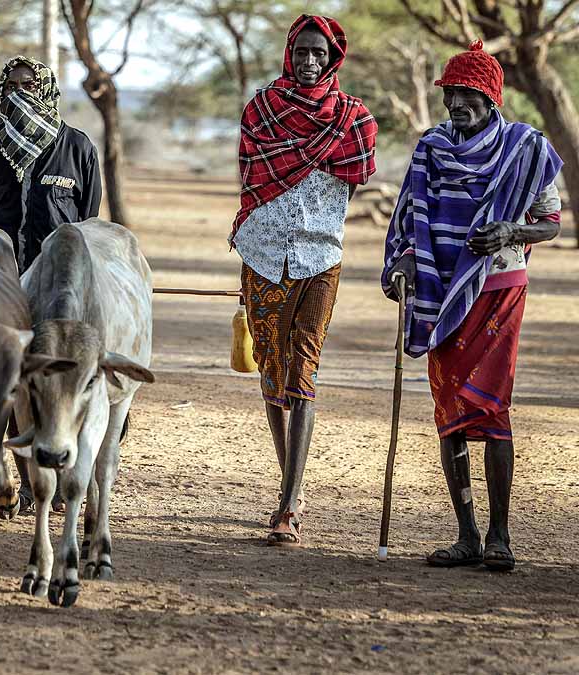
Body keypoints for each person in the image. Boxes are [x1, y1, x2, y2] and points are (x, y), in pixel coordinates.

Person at [382, 41, 562, 572]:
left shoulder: (525, 149)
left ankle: (500, 536)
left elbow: (550, 224)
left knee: (491, 404)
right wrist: (407, 259)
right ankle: (466, 535)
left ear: (491, 97)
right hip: (441, 292)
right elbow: (411, 217)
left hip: (500, 289)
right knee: (451, 412)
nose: (457, 103)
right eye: (451, 93)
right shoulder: (431, 148)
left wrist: (511, 228)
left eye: (468, 93)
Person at [231, 15, 377, 546]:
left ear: (334, 56)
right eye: (303, 52)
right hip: (263, 252)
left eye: (320, 53)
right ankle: (288, 481)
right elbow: (252, 177)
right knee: (272, 370)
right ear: (290, 52)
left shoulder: (354, 120)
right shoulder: (261, 110)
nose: (310, 61)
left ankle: (289, 504)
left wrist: (314, 213)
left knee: (304, 371)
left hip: (321, 257)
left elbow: (355, 180)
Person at [0, 56, 101, 272]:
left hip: (59, 271)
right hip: (0, 271)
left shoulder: (78, 147)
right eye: (11, 86)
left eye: (29, 86)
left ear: (47, 91)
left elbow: (89, 219)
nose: (19, 93)